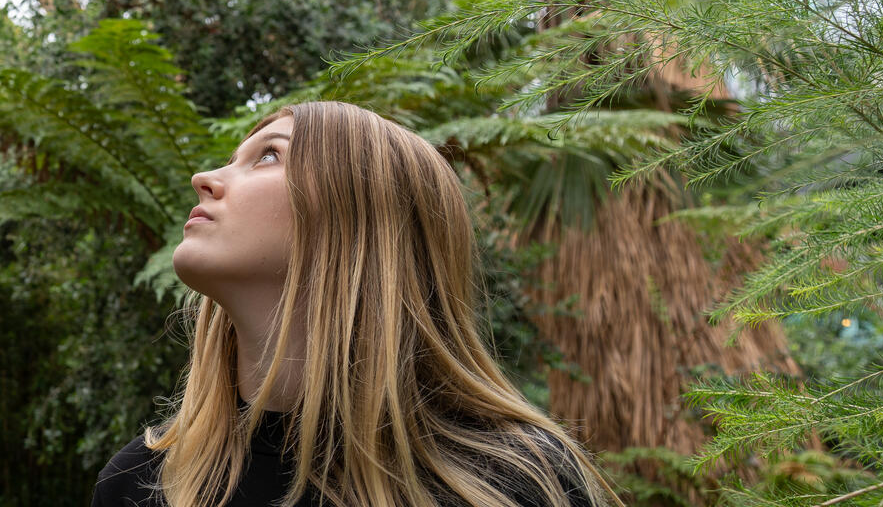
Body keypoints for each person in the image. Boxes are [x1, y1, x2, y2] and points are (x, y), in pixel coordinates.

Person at [92, 102, 617, 507]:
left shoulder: (515, 481)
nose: (204, 179)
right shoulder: (145, 483)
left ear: (362, 219)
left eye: (269, 155)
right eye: (233, 159)